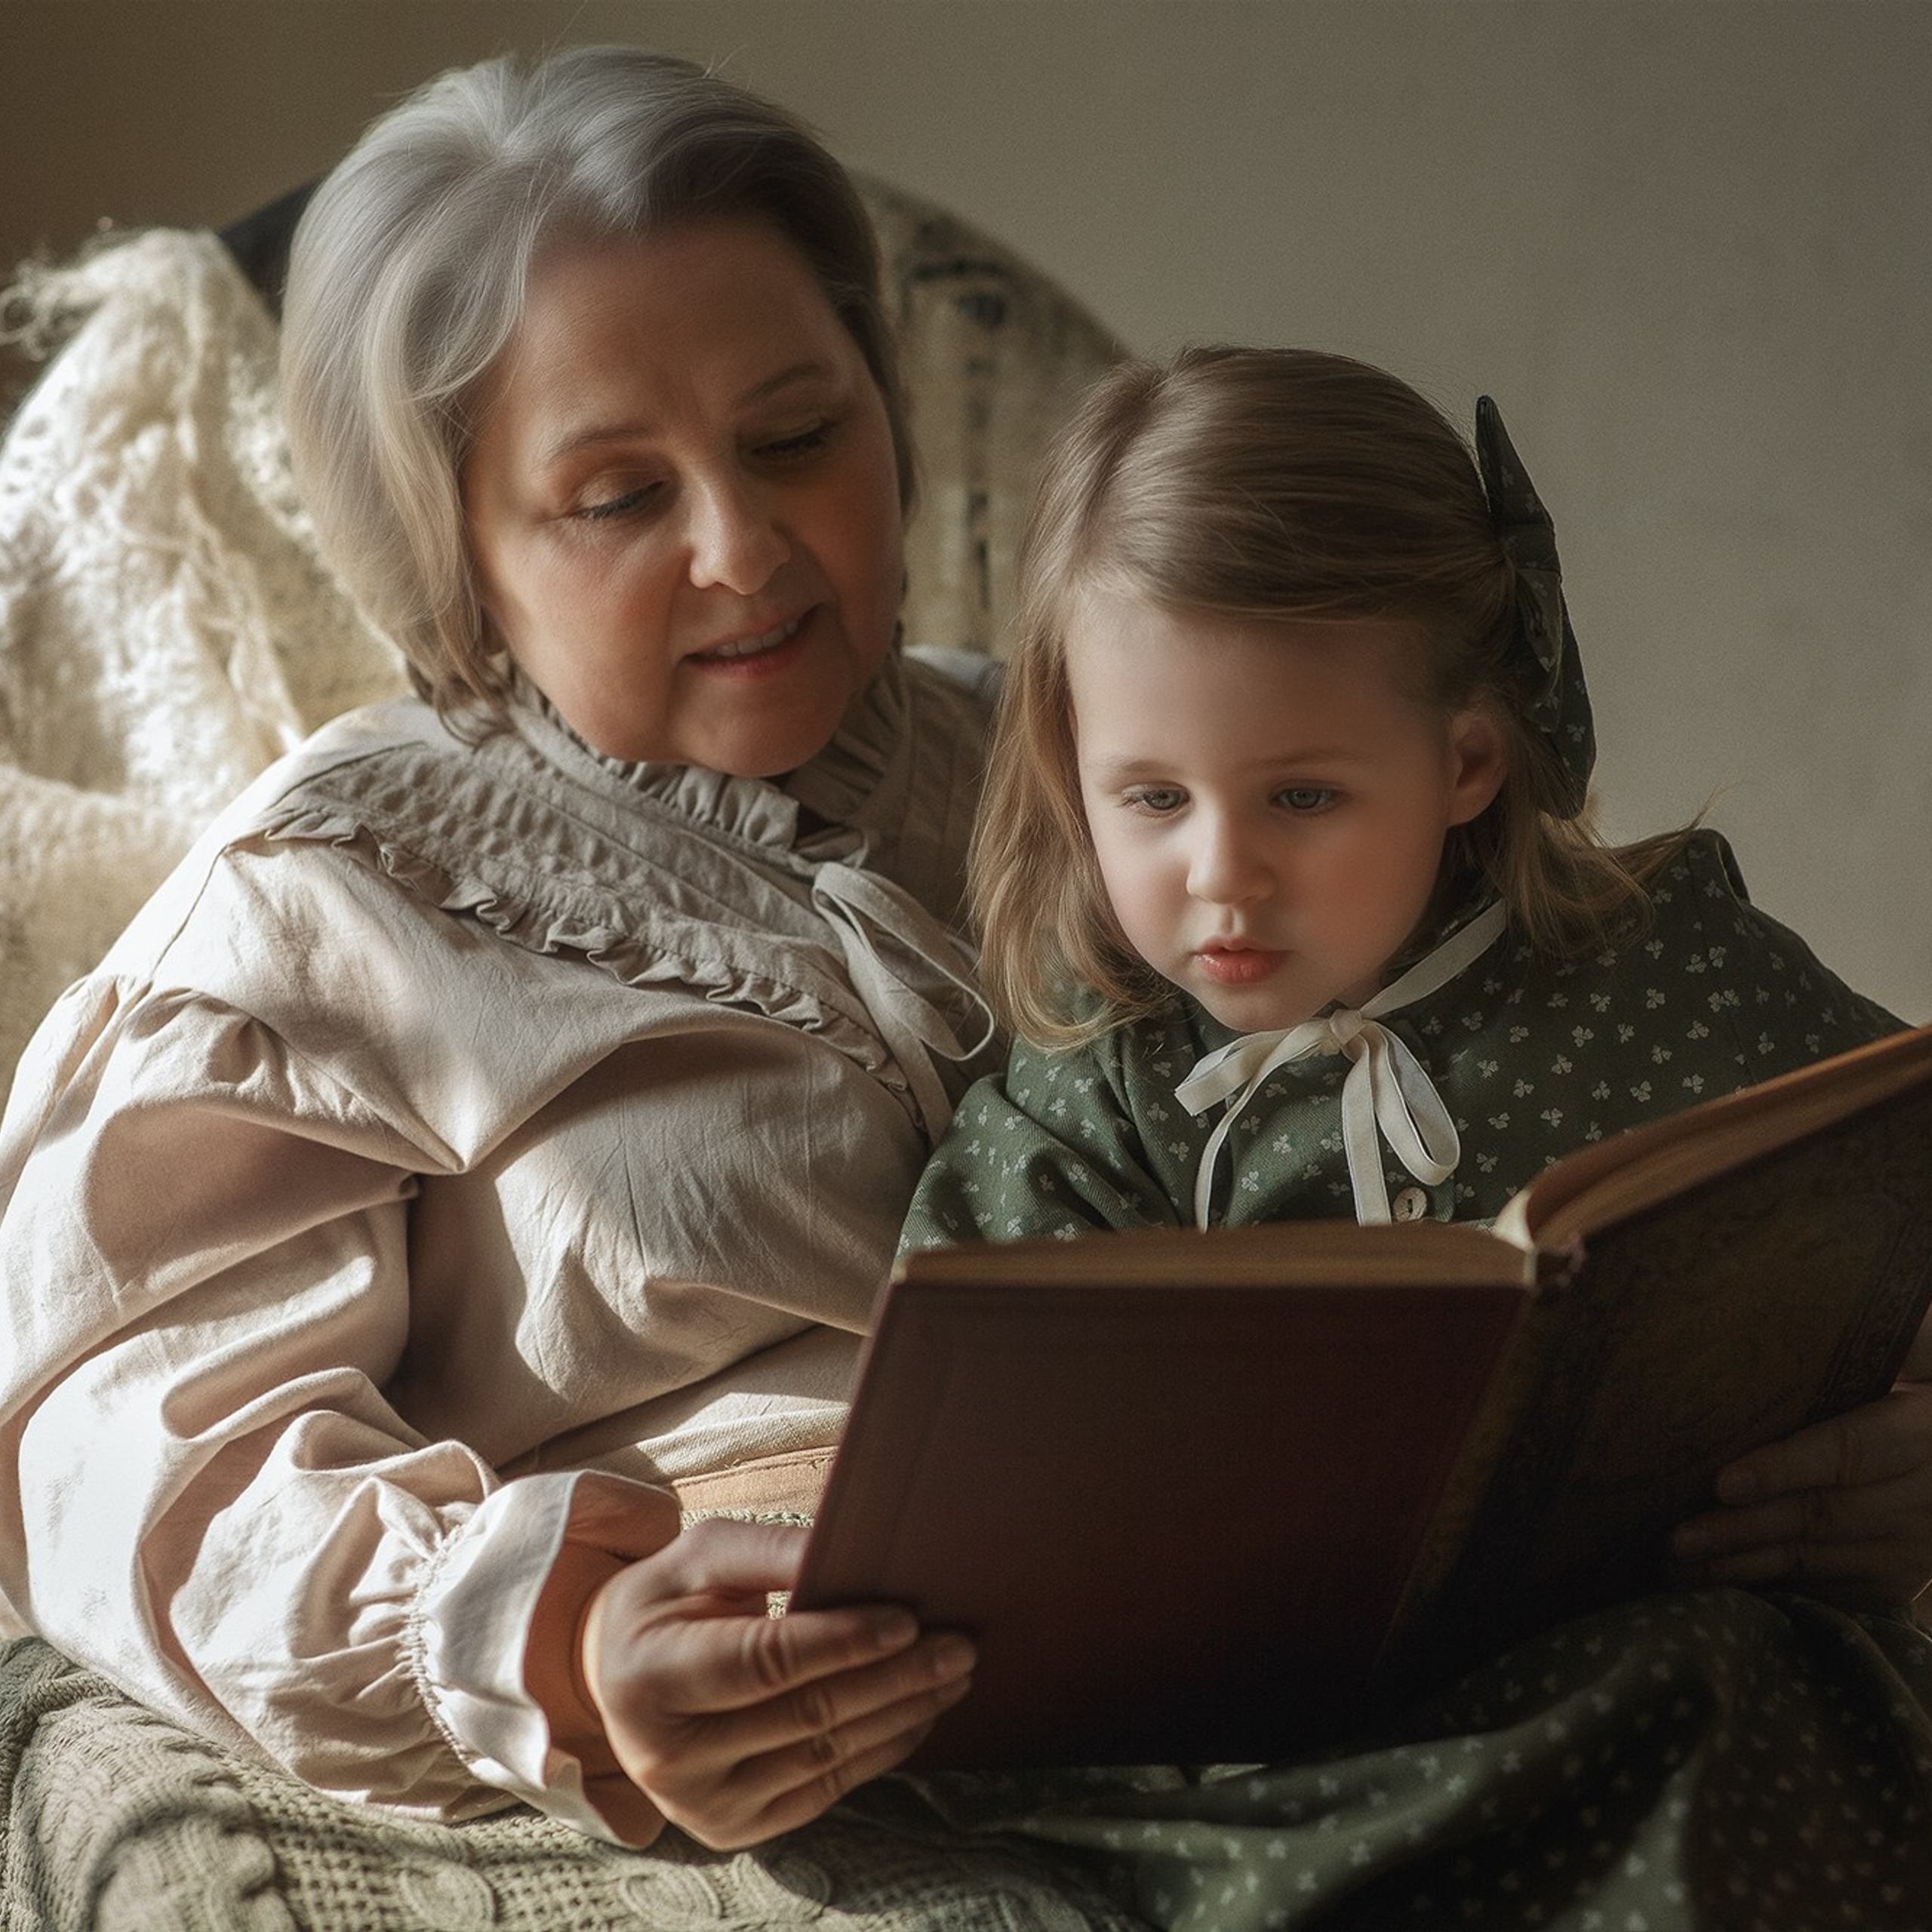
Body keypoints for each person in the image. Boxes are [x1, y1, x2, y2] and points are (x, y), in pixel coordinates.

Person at [0, 45, 1002, 1854]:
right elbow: (136, 1447)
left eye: (796, 434)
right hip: (768, 1734)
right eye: (618, 496)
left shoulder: (1101, 768)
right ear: (451, 556)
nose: (744, 543)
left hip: (1240, 1645)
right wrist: (551, 1634)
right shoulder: (329, 900)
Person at [885, 345, 1932, 1927]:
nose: (1220, 876)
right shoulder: (1084, 1100)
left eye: (1299, 797)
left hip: (1671, 1650)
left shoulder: (1667, 963)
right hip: (1273, 1761)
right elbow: (962, 1499)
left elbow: (1891, 1175)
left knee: (1729, 1695)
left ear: (1462, 758)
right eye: (1149, 798)